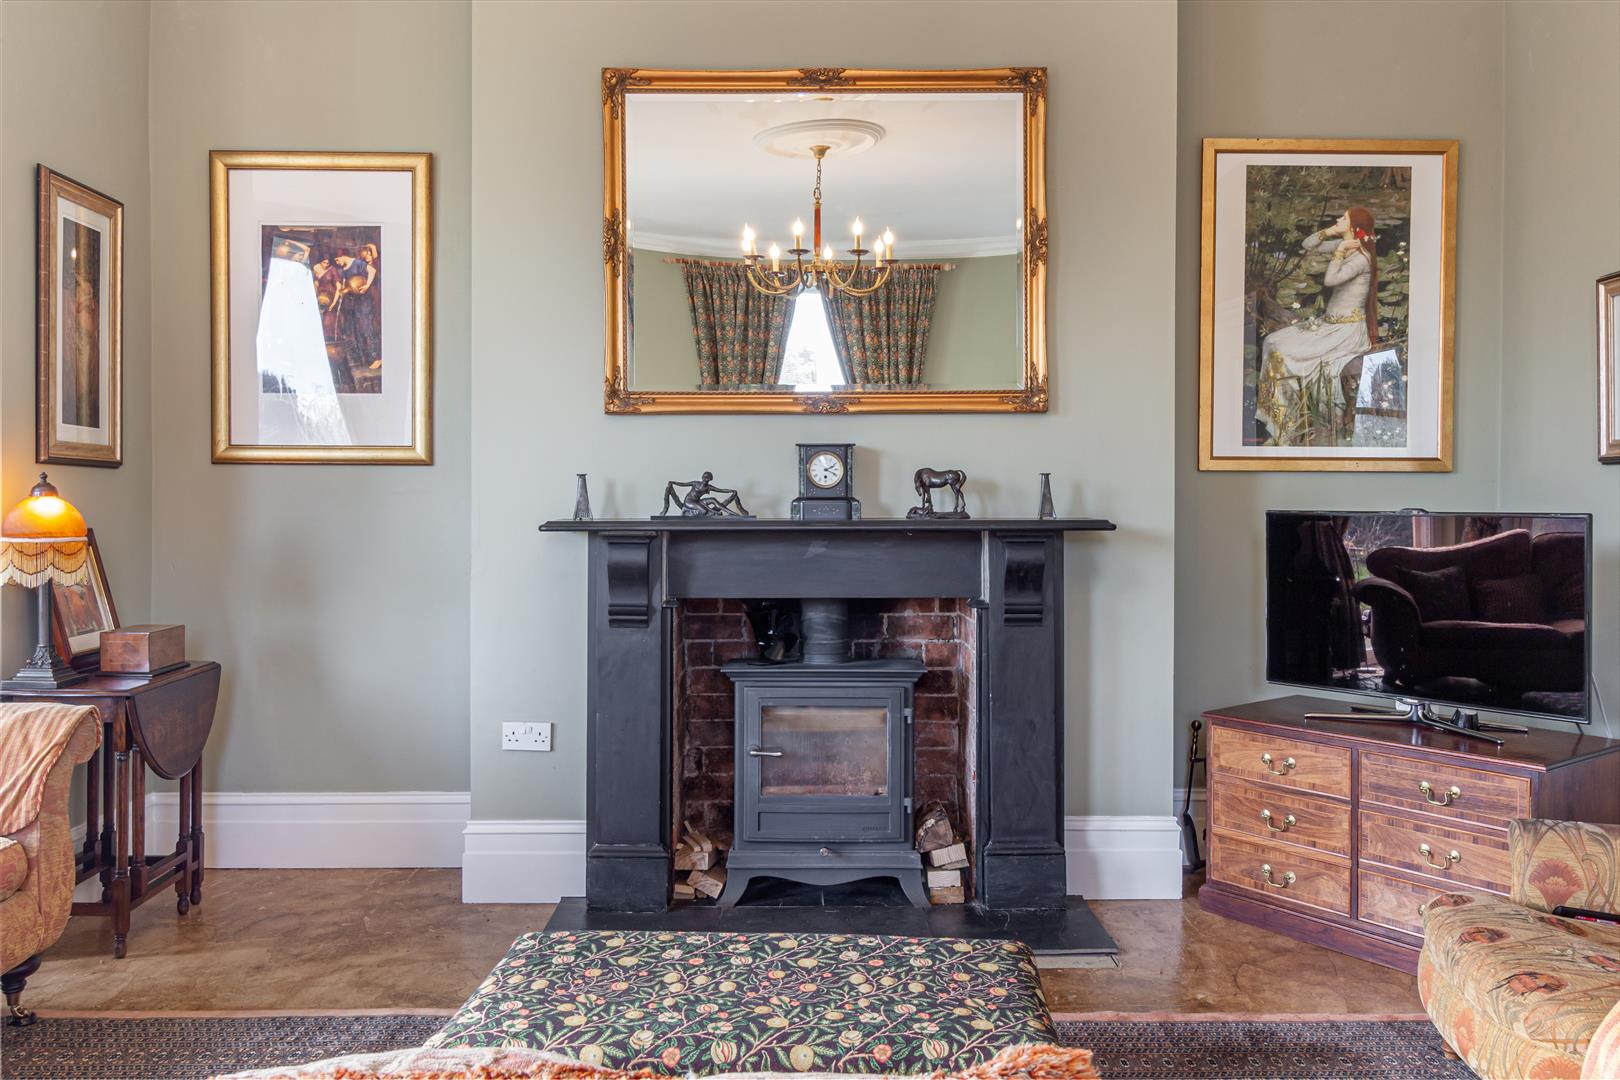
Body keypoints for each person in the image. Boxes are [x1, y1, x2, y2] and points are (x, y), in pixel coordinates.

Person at [1256, 207, 1380, 444]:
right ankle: (1279, 420)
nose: (1338, 219)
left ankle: (1290, 425)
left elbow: (1330, 280)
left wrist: (1340, 251)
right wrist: (1329, 232)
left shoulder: (1361, 258)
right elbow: (1308, 245)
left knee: (1285, 352)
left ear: (1354, 227)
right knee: (1271, 341)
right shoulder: (1345, 246)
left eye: (1343, 218)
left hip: (1345, 332)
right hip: (1327, 325)